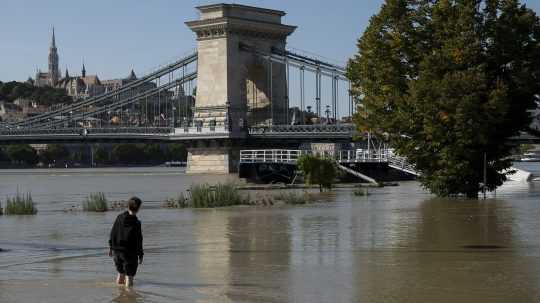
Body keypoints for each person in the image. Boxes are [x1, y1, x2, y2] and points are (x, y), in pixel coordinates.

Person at [108, 197, 144, 287]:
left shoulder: (119, 217)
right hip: (129, 253)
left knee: (120, 274)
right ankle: (128, 297)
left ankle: (119, 295)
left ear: (128, 206)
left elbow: (113, 232)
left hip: (117, 251)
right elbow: (139, 240)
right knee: (129, 277)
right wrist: (141, 254)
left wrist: (111, 248)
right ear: (138, 208)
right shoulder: (136, 223)